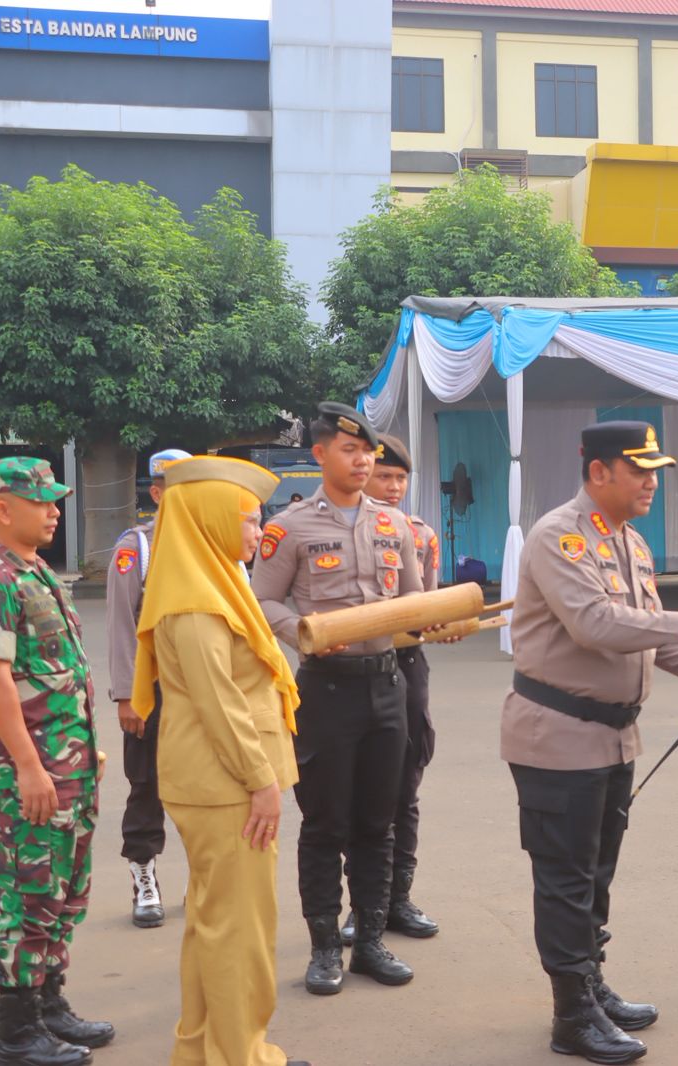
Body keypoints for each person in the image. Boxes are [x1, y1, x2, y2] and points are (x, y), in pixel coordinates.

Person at [503, 420, 678, 1064]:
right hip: (557, 735)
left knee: (595, 875)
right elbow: (597, 623)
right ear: (599, 471)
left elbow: (653, 640)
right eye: (640, 471)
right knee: (565, 878)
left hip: (612, 738)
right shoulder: (560, 536)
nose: (651, 484)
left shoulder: (629, 543)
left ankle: (591, 985)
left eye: (656, 471)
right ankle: (571, 1014)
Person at [130, 455, 311, 1066]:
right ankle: (242, 1055)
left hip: (213, 780)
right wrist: (262, 783)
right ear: (210, 522)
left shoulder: (205, 583)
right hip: (228, 783)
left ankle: (203, 1050)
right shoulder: (200, 604)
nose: (260, 533)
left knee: (213, 922)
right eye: (252, 521)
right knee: (241, 931)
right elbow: (221, 705)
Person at [252, 402, 425, 995]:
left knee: (378, 824)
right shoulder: (290, 527)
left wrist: (437, 622)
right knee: (326, 824)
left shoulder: (394, 524)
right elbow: (263, 602)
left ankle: (371, 941)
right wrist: (303, 632)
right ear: (320, 454)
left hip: (387, 686)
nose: (363, 460)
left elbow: (414, 605)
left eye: (369, 451)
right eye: (350, 451)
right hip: (325, 691)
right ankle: (325, 947)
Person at [0, 457, 113, 1066]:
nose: (54, 512)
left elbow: (57, 676)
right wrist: (27, 766)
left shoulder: (36, 572)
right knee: (29, 897)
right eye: (43, 501)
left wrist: (81, 747)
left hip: (65, 763)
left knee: (65, 893)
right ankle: (15, 1035)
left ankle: (49, 1006)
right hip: (34, 772)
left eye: (55, 501)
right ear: (3, 508)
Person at [340, 433, 444, 942]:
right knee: (359, 791)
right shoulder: (336, 530)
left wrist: (443, 622)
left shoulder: (419, 534)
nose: (393, 486)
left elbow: (427, 604)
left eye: (401, 478)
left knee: (404, 788)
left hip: (406, 667)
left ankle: (398, 898)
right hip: (355, 670)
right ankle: (363, 903)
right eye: (385, 475)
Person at [106, 446, 191, 929]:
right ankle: (144, 878)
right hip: (151, 689)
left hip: (200, 689)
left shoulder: (213, 543)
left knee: (205, 783)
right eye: (175, 489)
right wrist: (126, 696)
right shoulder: (135, 547)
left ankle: (201, 878)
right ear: (156, 493)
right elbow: (121, 626)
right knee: (147, 786)